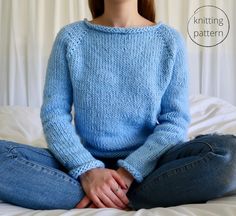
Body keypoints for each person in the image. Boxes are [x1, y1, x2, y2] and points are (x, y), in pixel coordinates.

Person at [1, 0, 236, 211]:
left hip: (152, 164)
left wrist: (128, 173)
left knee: (230, 154)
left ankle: (108, 195)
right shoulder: (71, 38)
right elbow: (54, 115)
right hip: (84, 162)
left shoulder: (168, 41)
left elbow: (175, 120)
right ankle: (115, 194)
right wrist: (88, 170)